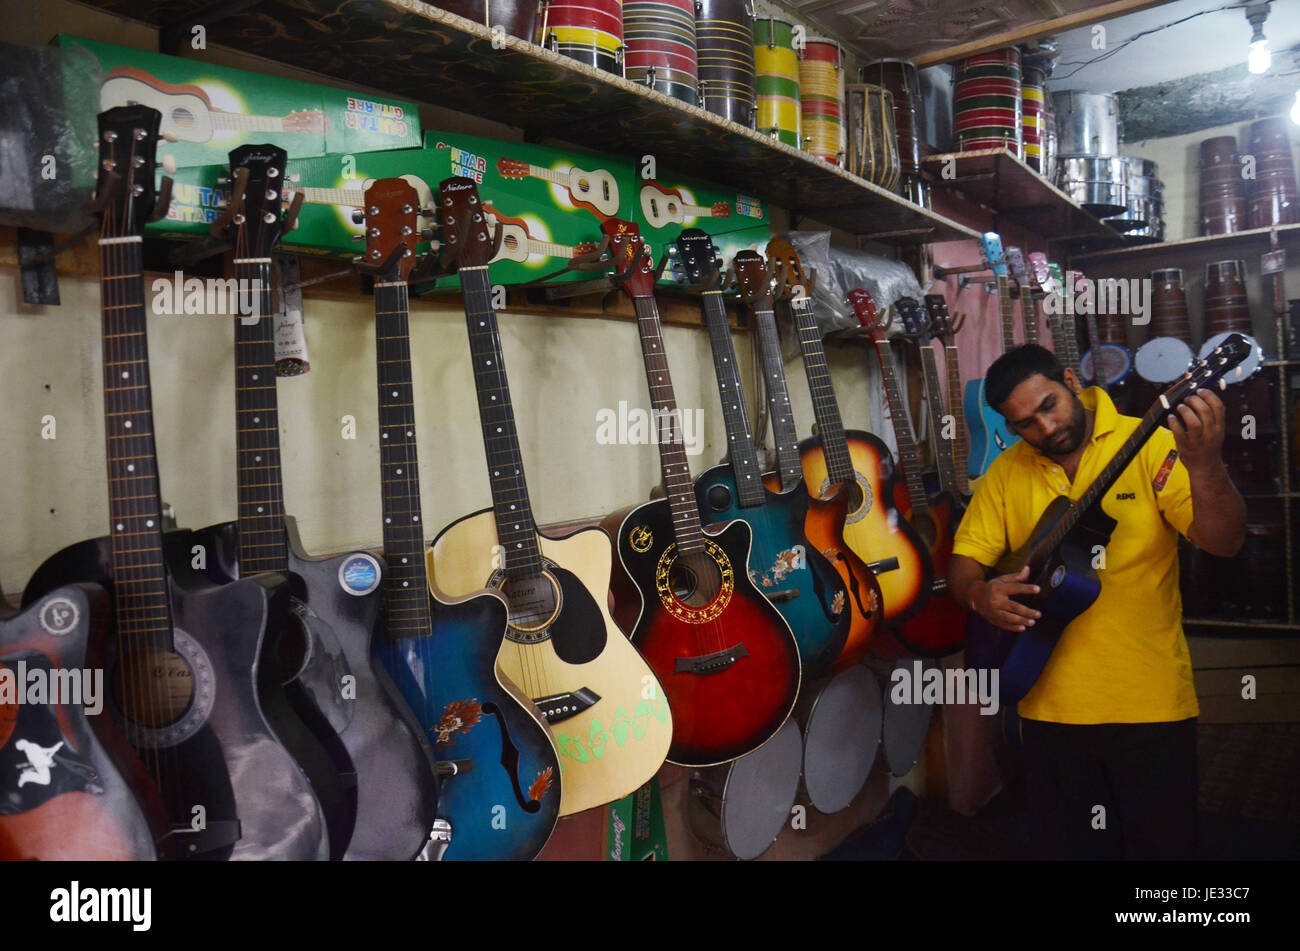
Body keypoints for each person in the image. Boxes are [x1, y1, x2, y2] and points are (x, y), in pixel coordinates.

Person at [947, 345, 1245, 860]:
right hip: (1043, 703)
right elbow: (964, 564)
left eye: (1049, 406)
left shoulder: (1150, 443)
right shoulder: (1006, 473)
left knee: (1163, 852)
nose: (1045, 429)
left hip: (1149, 704)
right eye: (1025, 424)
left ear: (1070, 379)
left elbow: (1224, 541)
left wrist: (1206, 465)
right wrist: (979, 595)